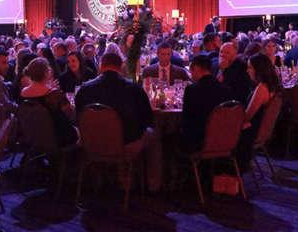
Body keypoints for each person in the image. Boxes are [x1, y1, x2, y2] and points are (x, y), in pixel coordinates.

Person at [74, 53, 161, 192]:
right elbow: (147, 119)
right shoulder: (134, 89)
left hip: (92, 142)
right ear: (121, 67)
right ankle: (153, 185)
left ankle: (97, 176)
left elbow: (78, 118)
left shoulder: (84, 89)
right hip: (125, 145)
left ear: (101, 66)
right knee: (154, 134)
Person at [236, 53, 282, 170]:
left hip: (252, 132)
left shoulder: (262, 88)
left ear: (258, 69)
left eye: (250, 67)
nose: (247, 71)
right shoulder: (273, 85)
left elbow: (247, 116)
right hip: (261, 130)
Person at [180, 54, 234, 151]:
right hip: (222, 138)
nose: (191, 74)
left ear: (196, 68)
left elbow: (186, 118)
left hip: (197, 141)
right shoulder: (225, 89)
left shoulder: (192, 90)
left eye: (191, 70)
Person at [20, 58, 78, 147]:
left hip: (34, 136)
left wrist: (49, 87)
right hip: (58, 138)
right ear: (46, 73)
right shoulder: (54, 94)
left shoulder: (23, 93)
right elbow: (70, 115)